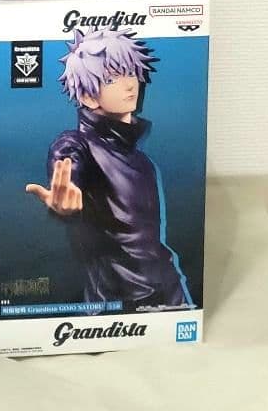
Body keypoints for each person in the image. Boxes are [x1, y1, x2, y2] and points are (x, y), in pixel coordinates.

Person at [25, 27, 192, 311]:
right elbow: (68, 166)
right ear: (88, 97)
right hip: (118, 304)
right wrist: (64, 203)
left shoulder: (143, 163)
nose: (129, 85)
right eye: (112, 78)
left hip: (170, 293)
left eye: (131, 73)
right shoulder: (76, 144)